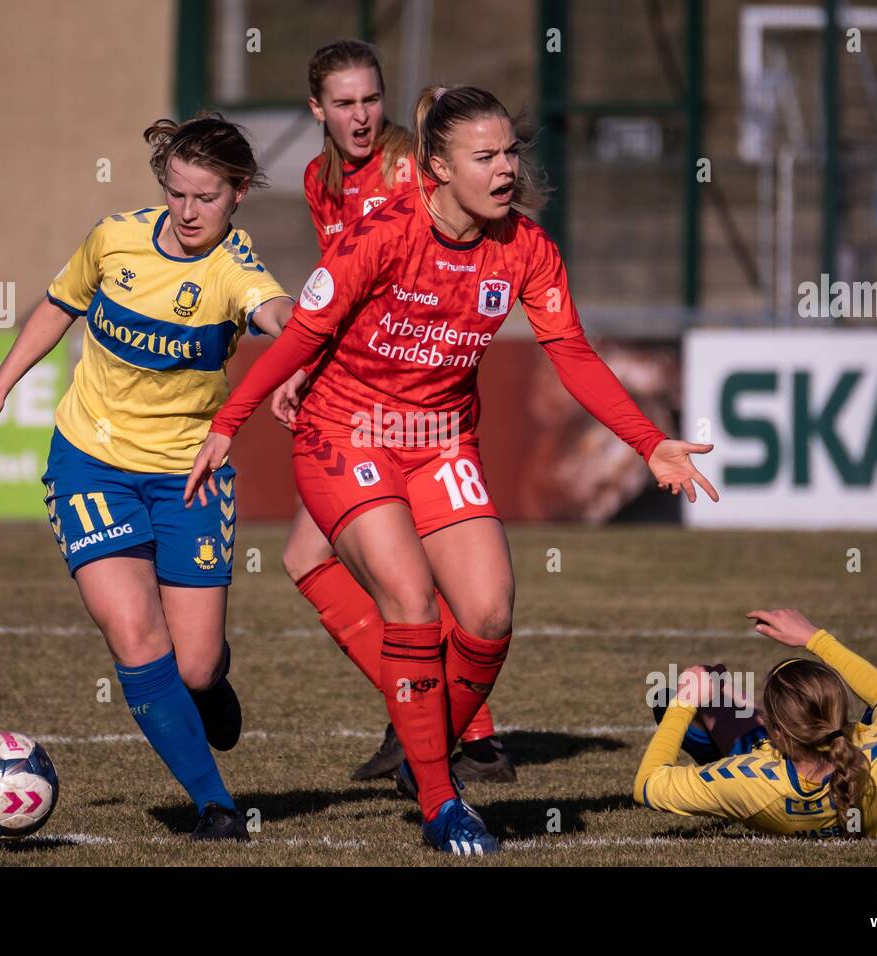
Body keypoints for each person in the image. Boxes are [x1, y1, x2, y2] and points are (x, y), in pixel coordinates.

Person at [185, 85, 718, 855]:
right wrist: (229, 423)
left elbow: (570, 352)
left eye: (511, 153)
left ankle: (424, 742)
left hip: (441, 442)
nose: (507, 169)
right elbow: (302, 334)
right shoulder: (380, 235)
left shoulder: (527, 246)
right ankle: (440, 803)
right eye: (486, 156)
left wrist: (647, 441)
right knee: (408, 596)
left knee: (492, 610)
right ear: (437, 166)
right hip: (348, 435)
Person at [0, 113, 295, 842]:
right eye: (177, 193)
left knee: (196, 667)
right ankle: (216, 806)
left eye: (207, 196)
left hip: (189, 474)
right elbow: (59, 304)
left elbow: (277, 314)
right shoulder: (114, 239)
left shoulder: (236, 269)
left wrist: (299, 341)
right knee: (134, 631)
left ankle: (208, 683)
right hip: (90, 463)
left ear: (237, 194)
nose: (189, 211)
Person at [275, 39, 515, 788]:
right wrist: (307, 363)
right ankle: (443, 725)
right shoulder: (319, 180)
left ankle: (447, 729)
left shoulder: (411, 165)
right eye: (343, 103)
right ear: (317, 109)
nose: (360, 115)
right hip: (353, 394)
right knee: (317, 562)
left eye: (371, 99)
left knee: (407, 582)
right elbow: (343, 292)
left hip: (411, 407)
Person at [634, 608, 877, 837]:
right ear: (839, 712)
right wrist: (814, 638)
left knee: (672, 698)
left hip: (771, 793)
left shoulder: (745, 781)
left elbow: (648, 785)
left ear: (774, 731)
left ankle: (708, 732)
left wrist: (687, 700)